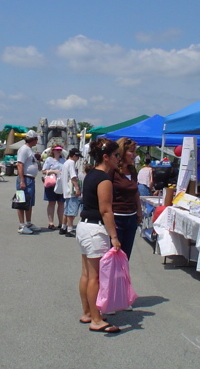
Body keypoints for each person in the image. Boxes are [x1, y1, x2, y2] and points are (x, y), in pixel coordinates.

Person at [77, 138, 121, 333]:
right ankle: (96, 319)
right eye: (116, 155)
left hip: (84, 226)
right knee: (95, 277)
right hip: (95, 229)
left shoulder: (91, 174)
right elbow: (106, 210)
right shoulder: (104, 179)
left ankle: (88, 312)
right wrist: (114, 236)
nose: (118, 158)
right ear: (106, 157)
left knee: (87, 274)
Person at [112, 137, 143, 260]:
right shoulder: (113, 171)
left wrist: (139, 211)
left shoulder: (132, 170)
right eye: (131, 152)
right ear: (122, 152)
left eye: (135, 152)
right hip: (116, 217)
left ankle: (122, 274)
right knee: (114, 255)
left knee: (125, 256)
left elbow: (135, 192)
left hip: (131, 217)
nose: (134, 155)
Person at [15, 130, 41, 234]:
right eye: (36, 139)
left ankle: (28, 223)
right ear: (33, 139)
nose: (37, 141)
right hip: (25, 179)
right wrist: (22, 181)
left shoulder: (29, 150)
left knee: (29, 202)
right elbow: (20, 164)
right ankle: (22, 225)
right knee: (21, 202)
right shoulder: (24, 149)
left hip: (30, 179)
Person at [42, 145, 65, 231]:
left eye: (60, 149)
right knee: (51, 203)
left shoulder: (63, 160)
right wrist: (53, 171)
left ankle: (61, 223)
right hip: (52, 183)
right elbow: (44, 171)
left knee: (61, 203)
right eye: (57, 149)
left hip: (61, 183)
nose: (59, 151)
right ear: (53, 150)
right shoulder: (49, 160)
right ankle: (51, 223)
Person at [61, 147, 82, 237]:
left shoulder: (65, 163)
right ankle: (70, 229)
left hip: (66, 190)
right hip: (71, 191)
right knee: (71, 211)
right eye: (77, 157)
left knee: (66, 210)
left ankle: (63, 227)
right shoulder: (71, 163)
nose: (78, 159)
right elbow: (73, 176)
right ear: (74, 156)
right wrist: (77, 188)